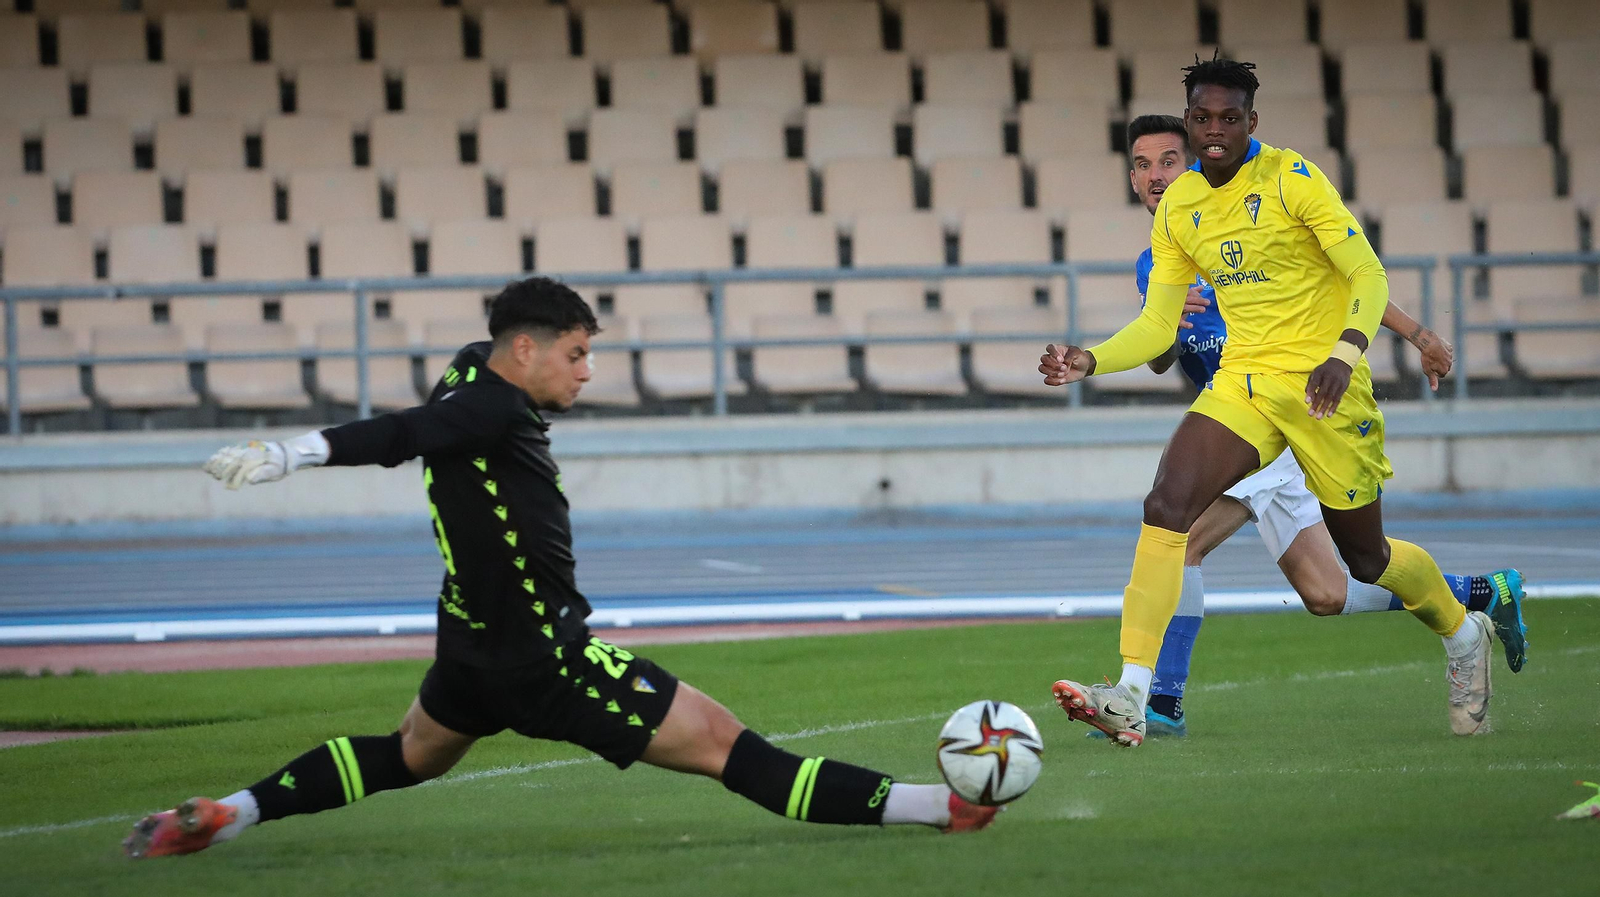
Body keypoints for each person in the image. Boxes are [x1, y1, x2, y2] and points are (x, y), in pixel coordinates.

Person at [124, 277, 997, 860]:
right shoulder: (491, 406)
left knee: (408, 756)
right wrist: (296, 451)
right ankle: (940, 807)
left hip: (468, 648)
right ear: (527, 351)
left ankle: (222, 816)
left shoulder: (475, 372)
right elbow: (408, 434)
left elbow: (448, 400)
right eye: (575, 353)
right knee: (732, 748)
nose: (587, 371)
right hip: (546, 662)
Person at [1039, 56, 1513, 746]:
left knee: (1365, 563)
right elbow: (1156, 327)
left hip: (1326, 388)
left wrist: (1345, 353)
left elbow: (1366, 273)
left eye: (1228, 118)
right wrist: (1089, 358)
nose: (1213, 131)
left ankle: (1463, 631)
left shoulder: (1292, 178)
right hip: (1245, 383)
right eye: (1201, 117)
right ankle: (1134, 692)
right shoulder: (1181, 205)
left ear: (1250, 122)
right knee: (1166, 504)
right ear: (1190, 119)